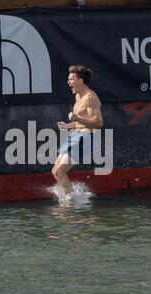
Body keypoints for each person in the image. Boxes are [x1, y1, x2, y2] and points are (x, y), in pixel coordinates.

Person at [52, 65, 103, 198]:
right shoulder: (78, 97)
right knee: (54, 171)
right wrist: (67, 126)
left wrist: (77, 118)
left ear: (80, 80)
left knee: (59, 172)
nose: (68, 82)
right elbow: (80, 121)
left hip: (85, 138)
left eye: (71, 79)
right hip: (75, 134)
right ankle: (68, 196)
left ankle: (71, 202)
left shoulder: (90, 97)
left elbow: (98, 122)